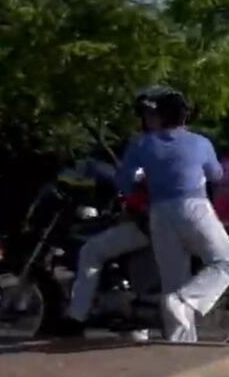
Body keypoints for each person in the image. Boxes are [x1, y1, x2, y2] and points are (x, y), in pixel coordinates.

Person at [112, 87, 229, 343]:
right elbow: (216, 175)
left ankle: (180, 346)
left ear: (159, 116)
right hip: (194, 207)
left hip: (159, 214)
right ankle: (186, 299)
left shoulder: (141, 144)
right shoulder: (200, 142)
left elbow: (123, 182)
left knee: (173, 281)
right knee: (225, 263)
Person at [66, 89, 170, 336]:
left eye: (150, 114)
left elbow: (141, 182)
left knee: (90, 251)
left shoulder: (158, 146)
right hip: (157, 221)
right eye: (145, 115)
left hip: (153, 223)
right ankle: (128, 320)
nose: (146, 119)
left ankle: (76, 318)